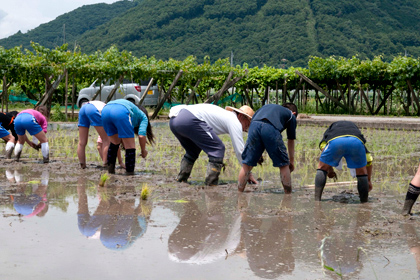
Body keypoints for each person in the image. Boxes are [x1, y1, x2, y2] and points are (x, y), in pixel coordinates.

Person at [169, 103, 257, 186]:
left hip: (174, 121)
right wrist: (247, 172)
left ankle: (181, 179)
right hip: (189, 119)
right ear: (241, 116)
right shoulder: (234, 120)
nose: (246, 127)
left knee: (193, 150)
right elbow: (240, 150)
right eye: (248, 123)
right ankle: (210, 184)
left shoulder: (224, 115)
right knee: (218, 148)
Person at [238, 103, 297, 193]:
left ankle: (239, 191)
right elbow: (291, 140)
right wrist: (291, 161)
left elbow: (258, 127)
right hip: (270, 127)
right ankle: (288, 194)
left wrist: (258, 152)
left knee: (246, 164)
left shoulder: (270, 108)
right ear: (294, 113)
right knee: (283, 164)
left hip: (254, 125)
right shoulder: (291, 116)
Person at [314, 121, 373, 202]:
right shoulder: (357, 136)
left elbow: (324, 148)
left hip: (335, 141)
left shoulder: (330, 132)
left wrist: (329, 169)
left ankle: (317, 200)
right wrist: (368, 180)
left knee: (321, 167)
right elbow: (369, 160)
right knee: (361, 173)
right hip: (355, 143)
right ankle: (364, 202)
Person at [101, 99, 155, 175]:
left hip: (105, 110)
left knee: (114, 143)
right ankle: (130, 174)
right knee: (130, 147)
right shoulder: (143, 117)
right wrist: (143, 151)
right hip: (121, 111)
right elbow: (142, 136)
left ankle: (110, 171)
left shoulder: (134, 111)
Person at [77, 100, 110, 169]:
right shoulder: (110, 112)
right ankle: (105, 165)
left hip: (83, 108)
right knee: (106, 139)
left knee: (82, 142)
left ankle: (83, 165)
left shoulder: (107, 106)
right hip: (93, 109)